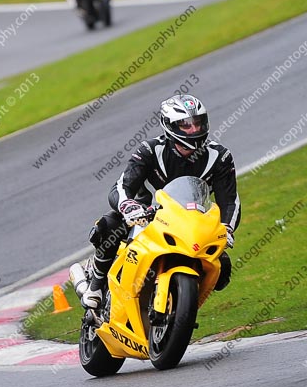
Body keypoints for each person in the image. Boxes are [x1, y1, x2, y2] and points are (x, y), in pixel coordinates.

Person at [81, 94, 241, 310]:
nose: (193, 130)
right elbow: (121, 187)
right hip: (146, 220)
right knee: (107, 227)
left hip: (191, 226)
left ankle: (180, 307)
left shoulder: (220, 157)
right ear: (169, 126)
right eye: (185, 125)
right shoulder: (149, 150)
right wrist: (129, 206)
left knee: (223, 268)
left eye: (198, 123)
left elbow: (230, 201)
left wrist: (227, 228)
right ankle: (97, 285)